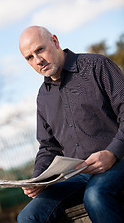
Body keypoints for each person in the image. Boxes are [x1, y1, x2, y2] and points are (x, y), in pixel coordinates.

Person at [17, 25, 124, 223]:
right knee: (28, 217)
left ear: (55, 42)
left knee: (95, 196)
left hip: (118, 161)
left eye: (40, 49)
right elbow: (49, 146)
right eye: (29, 57)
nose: (38, 60)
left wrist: (112, 152)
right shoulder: (43, 97)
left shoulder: (97, 66)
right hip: (77, 175)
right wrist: (37, 180)